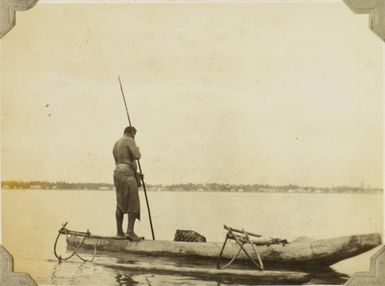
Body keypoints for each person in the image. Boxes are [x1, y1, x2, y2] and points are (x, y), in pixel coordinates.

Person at [113, 126, 143, 241]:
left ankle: (119, 232)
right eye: (134, 136)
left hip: (118, 172)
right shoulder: (129, 140)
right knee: (133, 202)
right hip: (127, 173)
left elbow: (120, 162)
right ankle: (130, 231)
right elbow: (137, 156)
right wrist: (137, 148)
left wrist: (135, 174)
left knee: (120, 202)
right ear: (132, 134)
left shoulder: (116, 144)